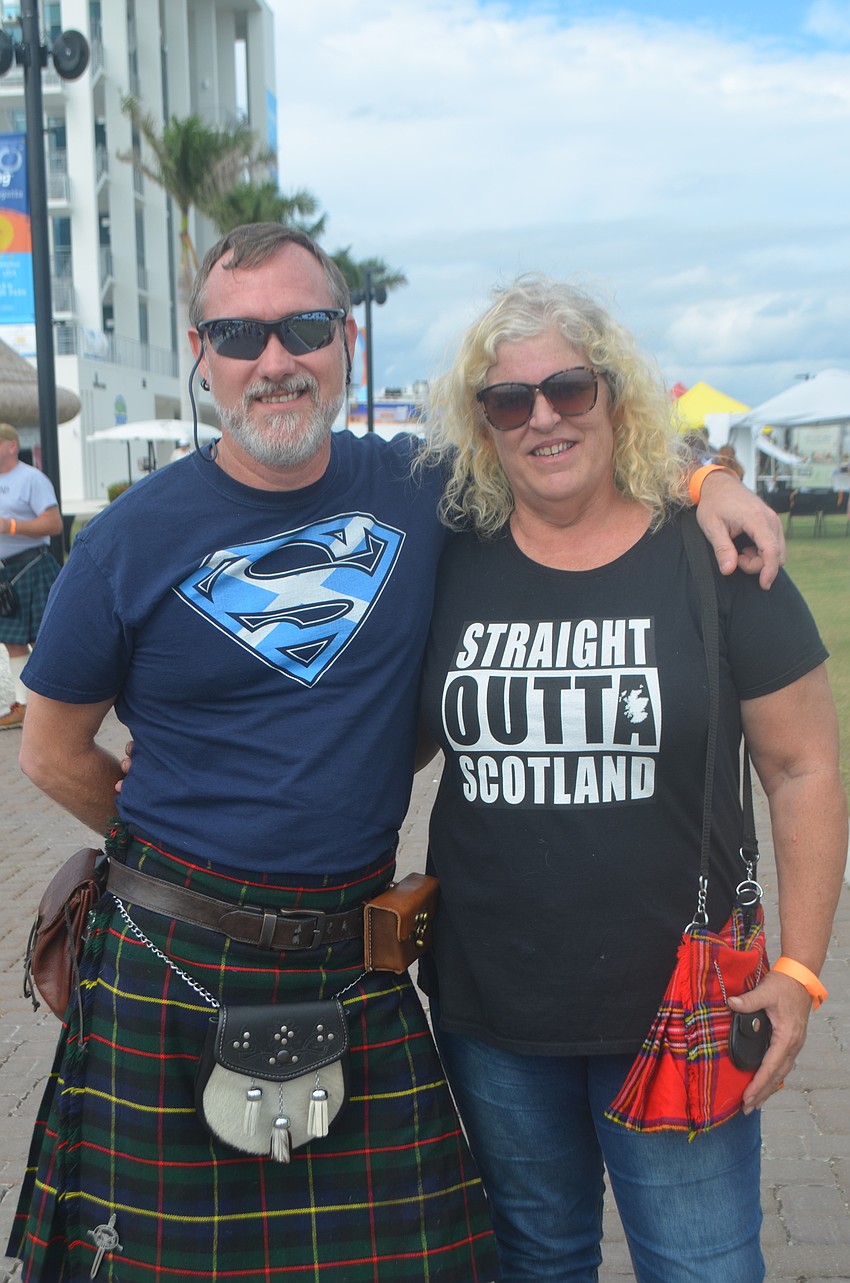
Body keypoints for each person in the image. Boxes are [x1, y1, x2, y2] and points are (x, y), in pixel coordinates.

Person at [8, 225, 785, 1283]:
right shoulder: (126, 539)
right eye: (240, 333)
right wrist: (171, 845)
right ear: (202, 352)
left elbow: (573, 442)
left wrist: (712, 480)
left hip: (352, 953)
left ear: (345, 342)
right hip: (174, 957)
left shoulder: (423, 492)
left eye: (304, 325)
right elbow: (50, 749)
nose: (273, 357)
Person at [416, 275, 847, 1282]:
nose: (543, 417)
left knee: (701, 1266)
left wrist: (799, 970)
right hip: (494, 1009)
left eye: (568, 388)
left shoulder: (714, 559)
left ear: (614, 395)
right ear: (482, 425)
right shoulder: (451, 559)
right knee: (536, 1258)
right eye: (509, 399)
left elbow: (804, 768)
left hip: (681, 1004)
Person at [0, 423, 63, 730]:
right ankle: (23, 705)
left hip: (33, 565)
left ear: (12, 446)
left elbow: (53, 524)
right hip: (4, 571)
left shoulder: (31, 479)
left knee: (43, 639)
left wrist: (10, 527)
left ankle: (56, 704)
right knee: (11, 641)